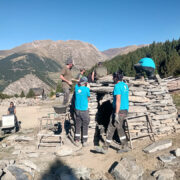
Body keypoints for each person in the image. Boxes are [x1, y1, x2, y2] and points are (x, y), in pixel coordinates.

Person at [95, 71, 129, 154]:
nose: (113, 79)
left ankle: (106, 148)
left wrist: (116, 114)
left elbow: (118, 100)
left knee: (111, 127)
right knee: (118, 127)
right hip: (125, 109)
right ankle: (124, 146)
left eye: (113, 77)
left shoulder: (117, 86)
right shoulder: (125, 85)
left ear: (116, 78)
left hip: (119, 110)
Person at [74, 76, 90, 147]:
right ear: (86, 83)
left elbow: (77, 83)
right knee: (85, 125)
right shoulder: (87, 89)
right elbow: (88, 99)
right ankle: (84, 141)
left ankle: (77, 139)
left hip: (77, 110)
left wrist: (79, 81)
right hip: (84, 110)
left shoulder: (76, 88)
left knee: (78, 124)